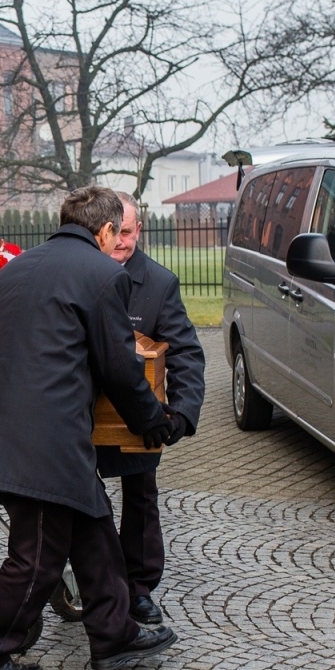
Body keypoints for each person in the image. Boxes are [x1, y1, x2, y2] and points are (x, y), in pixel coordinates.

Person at [0, 186, 178, 670]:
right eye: (116, 233)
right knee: (36, 557)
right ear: (103, 231)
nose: (119, 242)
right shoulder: (102, 276)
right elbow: (122, 370)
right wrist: (153, 422)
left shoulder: (12, 271)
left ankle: (114, 635)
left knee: (93, 525)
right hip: (44, 441)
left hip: (7, 431)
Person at [95, 192, 206, 625]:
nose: (121, 241)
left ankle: (139, 586)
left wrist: (181, 411)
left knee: (141, 495)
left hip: (138, 416)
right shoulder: (81, 273)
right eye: (114, 232)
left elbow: (186, 353)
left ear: (139, 230)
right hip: (81, 414)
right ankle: (93, 579)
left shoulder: (159, 283)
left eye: (129, 231)